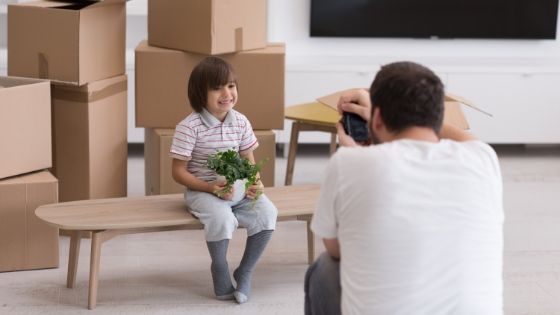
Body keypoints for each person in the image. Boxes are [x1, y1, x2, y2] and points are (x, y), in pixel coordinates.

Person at [305, 61, 504, 314]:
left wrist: (357, 153)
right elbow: (468, 139)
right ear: (438, 116)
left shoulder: (348, 163)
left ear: (376, 119)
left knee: (324, 269)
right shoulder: (483, 159)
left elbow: (335, 247)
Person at [170, 56, 278, 304]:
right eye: (217, 87)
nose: (226, 93)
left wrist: (254, 182)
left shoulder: (240, 121)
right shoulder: (189, 127)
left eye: (231, 85)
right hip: (203, 191)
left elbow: (249, 159)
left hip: (237, 189)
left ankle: (245, 271)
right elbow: (178, 172)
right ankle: (219, 267)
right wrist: (209, 187)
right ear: (200, 93)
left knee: (267, 213)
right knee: (221, 219)